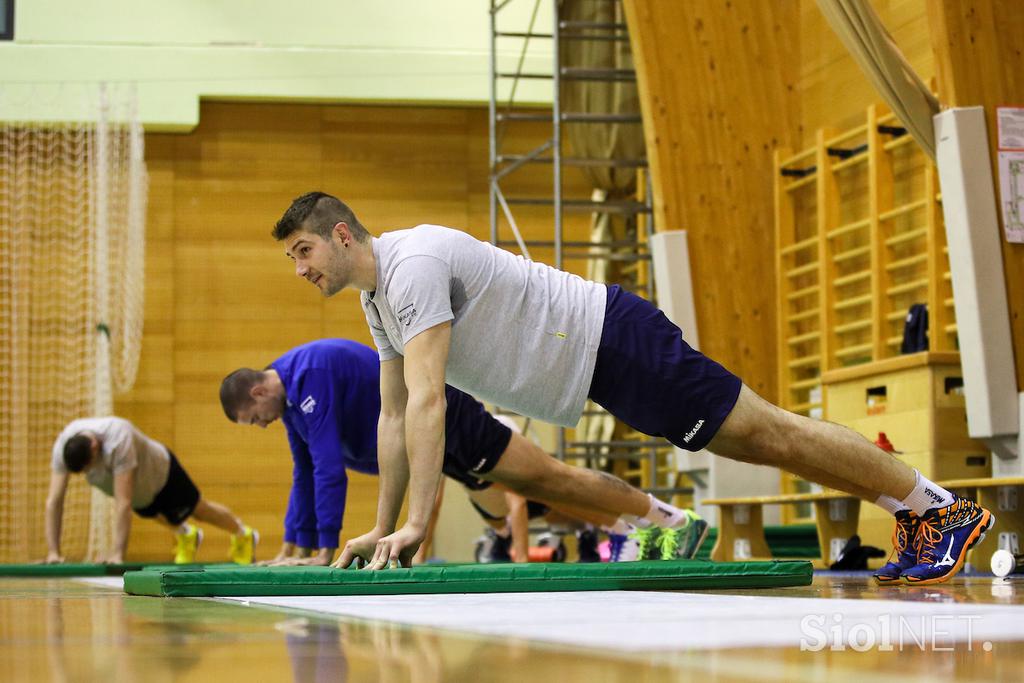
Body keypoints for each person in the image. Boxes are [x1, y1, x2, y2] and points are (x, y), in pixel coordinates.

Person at [271, 192, 993, 585]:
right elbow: (393, 414)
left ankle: (941, 507)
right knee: (766, 443)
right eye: (290, 259)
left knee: (768, 432)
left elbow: (429, 402)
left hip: (613, 341)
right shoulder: (378, 302)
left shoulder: (411, 266)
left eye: (302, 251)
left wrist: (418, 525)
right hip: (599, 364)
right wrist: (383, 522)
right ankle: (918, 510)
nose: (299, 269)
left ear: (341, 234)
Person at [220, 339, 706, 566]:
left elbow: (328, 471)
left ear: (259, 394)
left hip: (451, 423)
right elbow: (303, 473)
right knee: (533, 498)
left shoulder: (311, 376)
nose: (260, 426)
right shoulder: (289, 406)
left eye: (253, 419)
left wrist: (325, 554)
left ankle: (668, 520)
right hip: (430, 444)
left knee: (547, 480)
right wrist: (291, 550)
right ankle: (630, 530)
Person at [45, 417, 258, 565]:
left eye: (89, 467)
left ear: (93, 446)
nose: (88, 473)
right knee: (156, 514)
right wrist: (53, 553)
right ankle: (187, 536)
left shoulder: (118, 436)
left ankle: (243, 534)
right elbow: (54, 501)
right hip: (142, 494)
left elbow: (123, 502)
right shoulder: (63, 446)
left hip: (162, 474)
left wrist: (117, 554)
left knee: (199, 510)